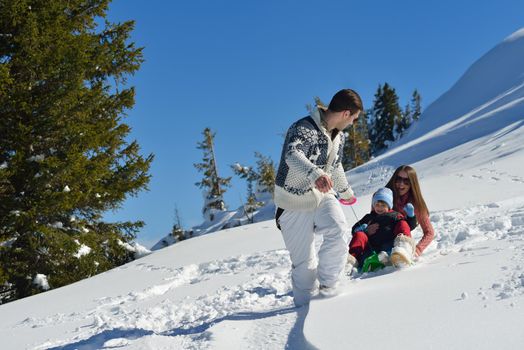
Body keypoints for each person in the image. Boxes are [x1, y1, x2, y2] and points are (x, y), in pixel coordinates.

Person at [274, 89, 362, 307]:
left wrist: (345, 191)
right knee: (304, 265)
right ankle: (305, 309)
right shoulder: (303, 128)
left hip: (323, 196)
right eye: (354, 118)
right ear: (345, 113)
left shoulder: (339, 136)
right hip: (293, 202)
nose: (353, 123)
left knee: (339, 230)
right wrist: (315, 174)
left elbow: (336, 165)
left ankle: (329, 288)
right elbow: (293, 155)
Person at [347, 187, 415, 270]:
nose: (379, 208)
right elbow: (354, 229)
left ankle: (403, 249)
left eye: (383, 205)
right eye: (377, 205)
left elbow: (408, 227)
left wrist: (411, 217)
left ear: (389, 206)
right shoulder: (368, 217)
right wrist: (361, 229)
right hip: (371, 248)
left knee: (402, 223)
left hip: (390, 245)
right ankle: (350, 262)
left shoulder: (395, 215)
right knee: (359, 235)